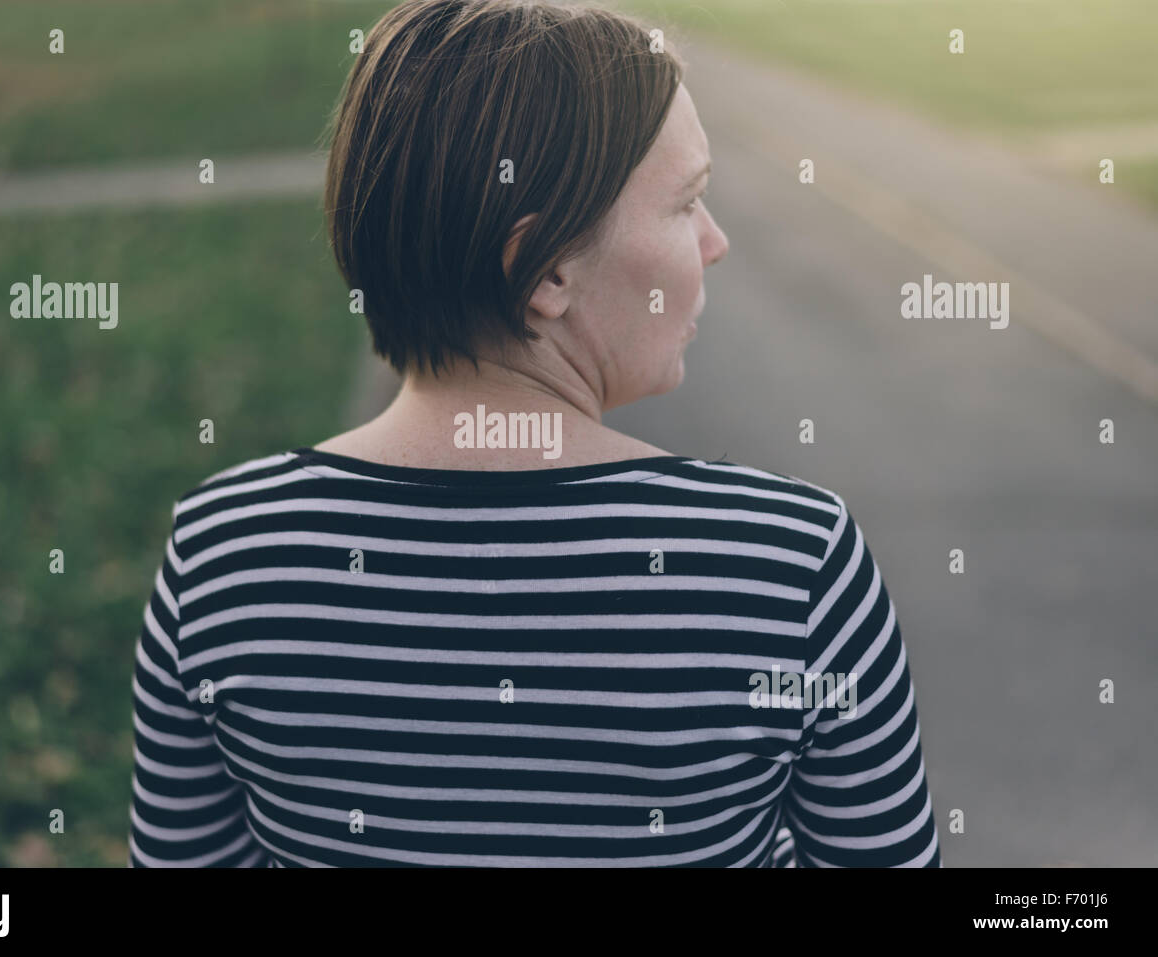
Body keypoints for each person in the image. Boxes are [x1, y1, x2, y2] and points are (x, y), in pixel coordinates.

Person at [128, 0, 941, 867]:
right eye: (687, 203)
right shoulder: (791, 566)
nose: (716, 242)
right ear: (544, 269)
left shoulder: (223, 554)